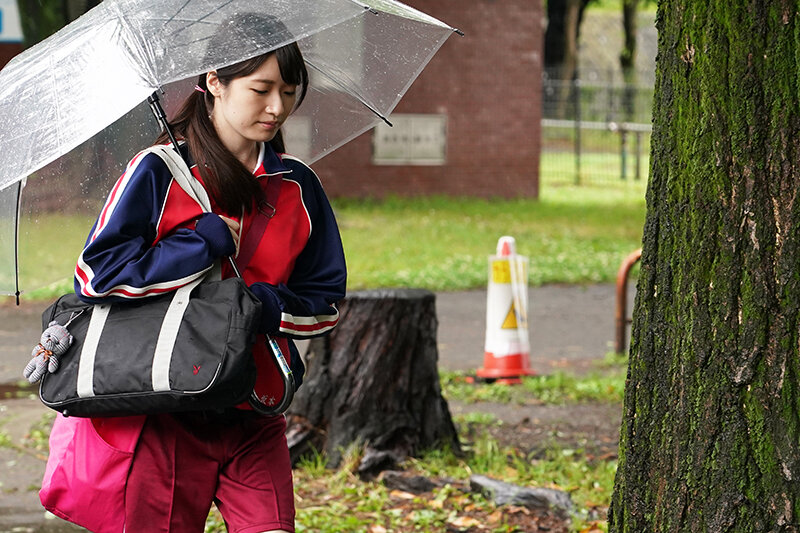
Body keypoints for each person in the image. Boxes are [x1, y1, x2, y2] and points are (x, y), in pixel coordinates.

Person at [40, 14, 346, 533]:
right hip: (166, 407)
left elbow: (325, 301)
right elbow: (96, 277)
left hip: (255, 408)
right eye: (261, 89)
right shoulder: (156, 171)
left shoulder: (298, 186)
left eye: (289, 91)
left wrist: (263, 306)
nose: (277, 107)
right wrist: (197, 244)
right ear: (214, 83)